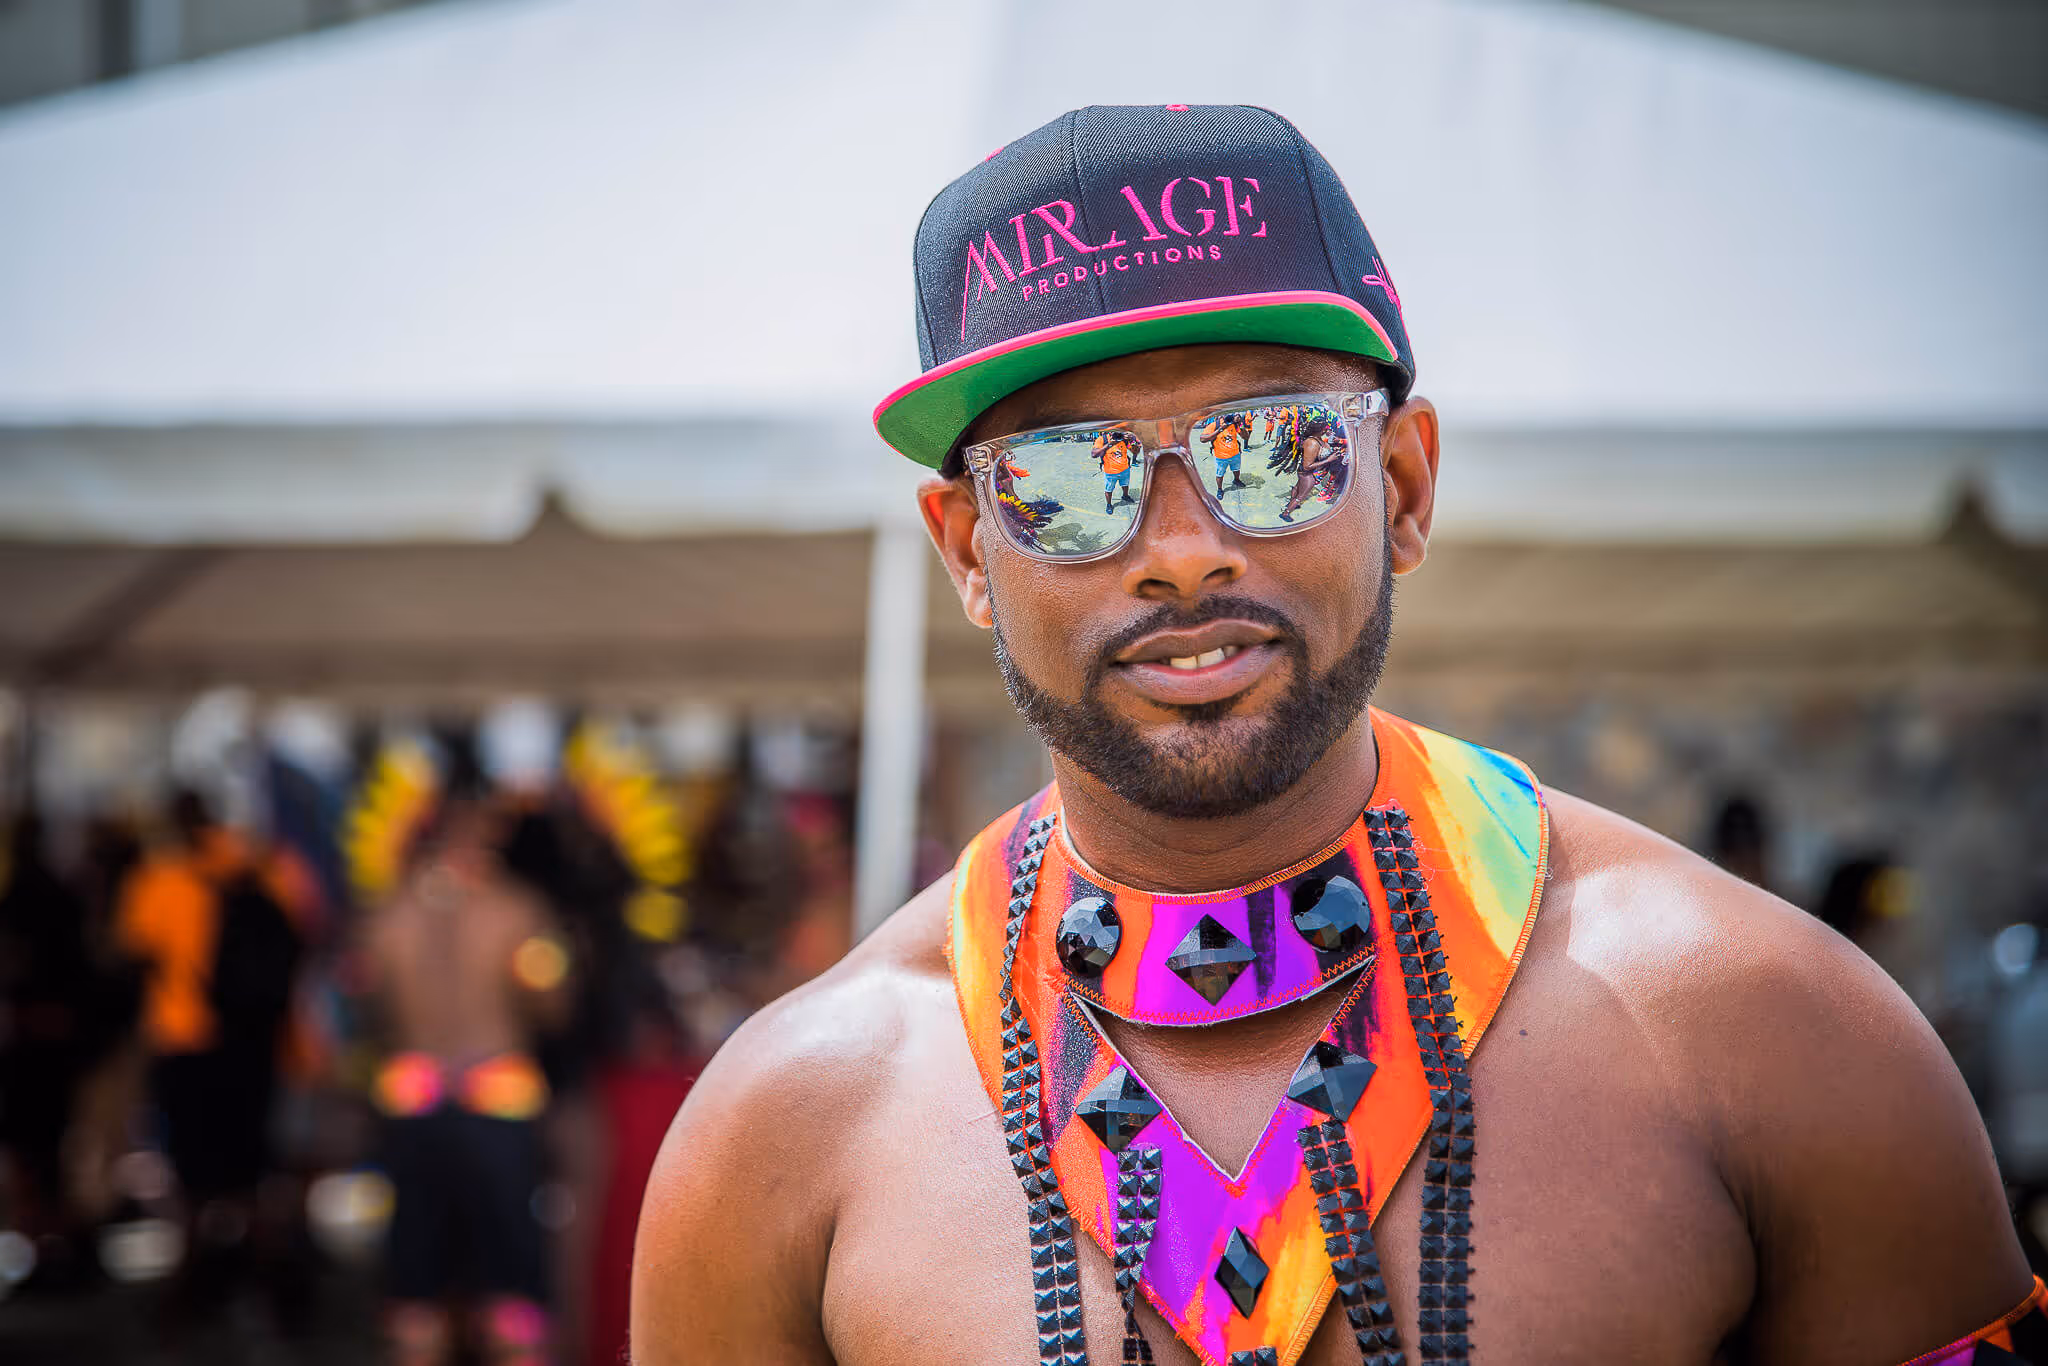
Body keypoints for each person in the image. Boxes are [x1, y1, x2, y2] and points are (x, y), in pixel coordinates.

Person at [634, 105, 2045, 1366]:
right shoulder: (788, 1133)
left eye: (1273, 448)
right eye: (1065, 480)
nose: (1181, 553)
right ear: (966, 548)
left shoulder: (1768, 1035)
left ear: (1407, 484)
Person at [358, 785, 573, 1366]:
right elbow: (553, 1006)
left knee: (416, 1281)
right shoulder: (515, 910)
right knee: (512, 1284)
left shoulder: (389, 915)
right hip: (496, 1092)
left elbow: (368, 1005)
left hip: (415, 1093)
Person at [115, 789, 311, 1317]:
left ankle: (195, 1273)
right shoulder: (262, 868)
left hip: (183, 1042)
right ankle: (267, 1271)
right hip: (254, 1044)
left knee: (191, 1169)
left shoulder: (159, 879)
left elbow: (134, 955)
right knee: (256, 1164)